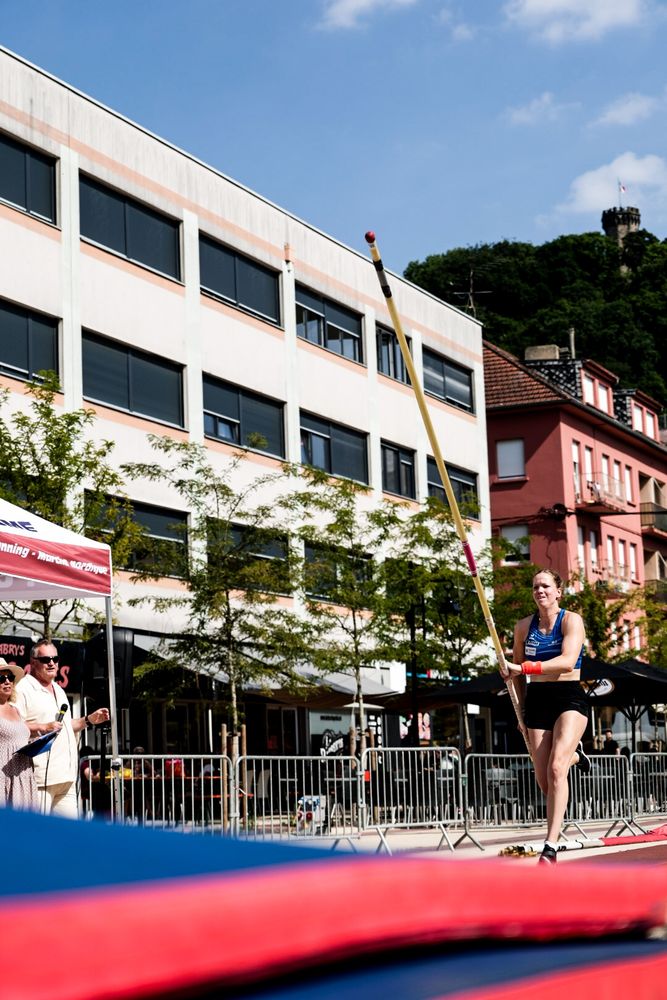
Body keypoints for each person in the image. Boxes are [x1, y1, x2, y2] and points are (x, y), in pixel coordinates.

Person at [500, 569, 591, 865]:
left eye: (546, 586)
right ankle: (576, 756)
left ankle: (549, 846)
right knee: (545, 782)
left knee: (555, 768)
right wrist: (521, 711)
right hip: (537, 700)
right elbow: (512, 672)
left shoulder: (571, 620)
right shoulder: (523, 626)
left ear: (558, 591)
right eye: (535, 586)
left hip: (568, 697)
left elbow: (566, 662)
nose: (540, 590)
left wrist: (521, 669)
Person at [14, 639, 110, 818]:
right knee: (40, 836)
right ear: (33, 662)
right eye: (45, 659)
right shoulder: (23, 689)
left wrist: (88, 720)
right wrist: (41, 727)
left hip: (67, 778)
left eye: (55, 659)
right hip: (40, 780)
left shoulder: (58, 689)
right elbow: (13, 727)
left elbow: (64, 726)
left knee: (69, 838)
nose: (51, 663)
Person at [0, 659, 38, 810]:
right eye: (1, 678)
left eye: (10, 677)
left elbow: (18, 737)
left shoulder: (15, 709)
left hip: (23, 776)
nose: (7, 681)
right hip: (4, 779)